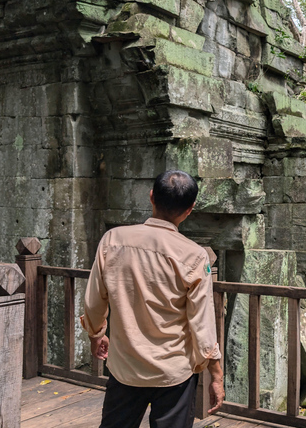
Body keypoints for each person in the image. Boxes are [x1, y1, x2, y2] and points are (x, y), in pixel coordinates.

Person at [81, 170, 224, 428]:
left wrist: (96, 334)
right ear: (190, 209)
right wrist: (216, 374)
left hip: (125, 366)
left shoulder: (113, 240)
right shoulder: (194, 255)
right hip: (174, 371)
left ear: (151, 197)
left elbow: (94, 301)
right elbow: (201, 323)